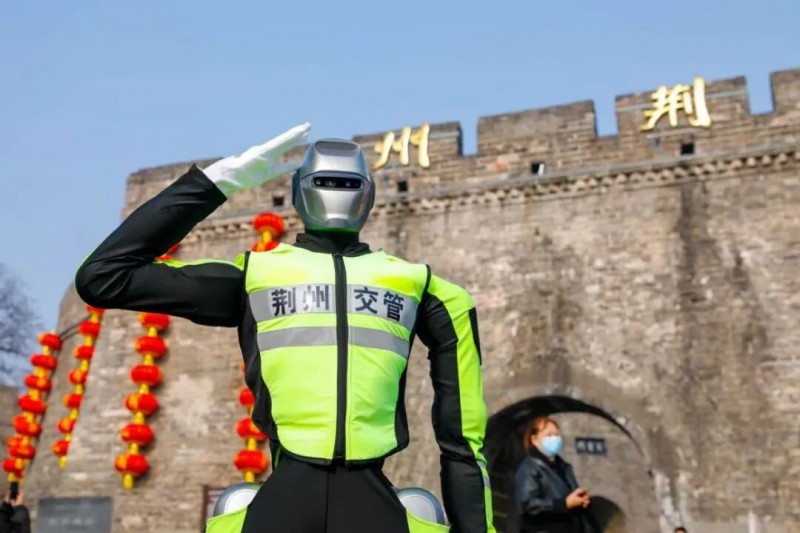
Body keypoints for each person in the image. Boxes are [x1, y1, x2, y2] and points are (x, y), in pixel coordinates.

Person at [75, 125, 495, 533]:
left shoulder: (257, 275)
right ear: (369, 195)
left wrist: (217, 183)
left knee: (233, 505)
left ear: (297, 194)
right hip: (375, 506)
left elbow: (103, 275)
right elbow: (462, 442)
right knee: (423, 509)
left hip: (281, 501)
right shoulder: (427, 288)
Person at [514, 417, 599, 533]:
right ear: (534, 439)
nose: (554, 439)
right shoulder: (529, 467)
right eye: (549, 435)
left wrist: (581, 501)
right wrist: (563, 504)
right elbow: (529, 505)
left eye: (556, 435)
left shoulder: (565, 468)